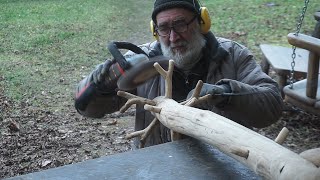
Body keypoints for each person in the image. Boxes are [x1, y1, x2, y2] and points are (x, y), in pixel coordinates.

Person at [75, 0, 283, 148]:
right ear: (155, 30)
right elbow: (89, 111)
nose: (173, 37)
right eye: (164, 28)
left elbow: (272, 105)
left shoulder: (233, 55)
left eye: (181, 24)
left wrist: (226, 93)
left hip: (222, 162)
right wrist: (97, 89)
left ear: (202, 21)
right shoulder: (141, 61)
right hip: (158, 165)